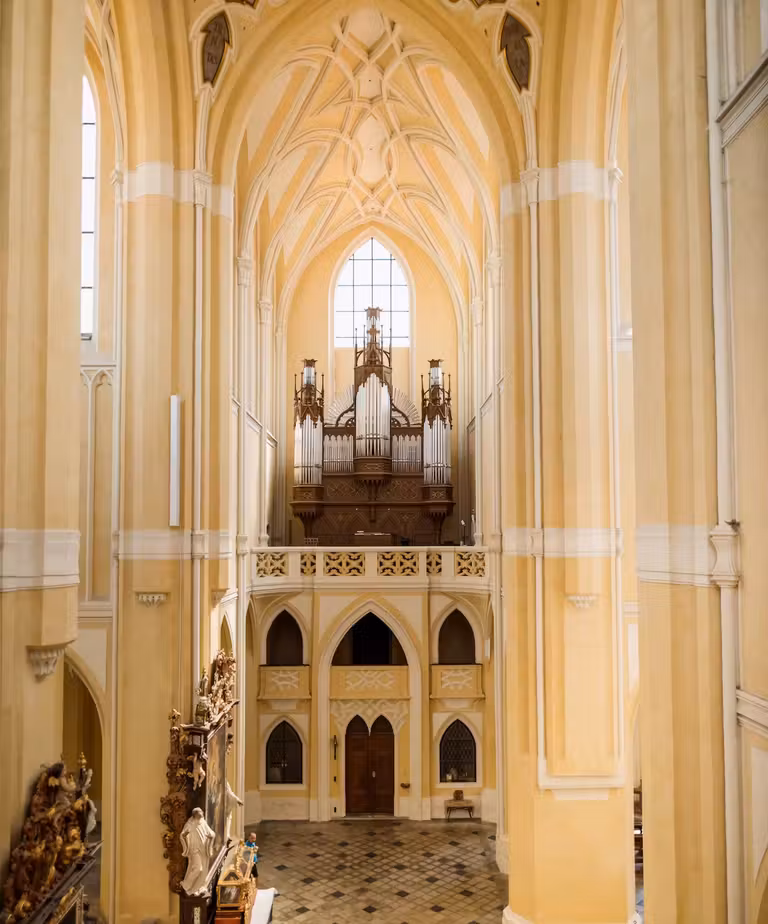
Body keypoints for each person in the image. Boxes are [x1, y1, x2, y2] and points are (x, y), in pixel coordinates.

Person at [179, 808, 216, 896]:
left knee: (203, 871)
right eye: (200, 813)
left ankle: (196, 888)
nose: (202, 814)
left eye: (202, 813)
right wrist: (184, 835)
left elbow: (211, 833)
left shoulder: (203, 822)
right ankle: (186, 885)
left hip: (203, 849)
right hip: (194, 849)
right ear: (195, 814)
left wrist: (211, 836)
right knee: (198, 868)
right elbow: (182, 835)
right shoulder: (190, 823)